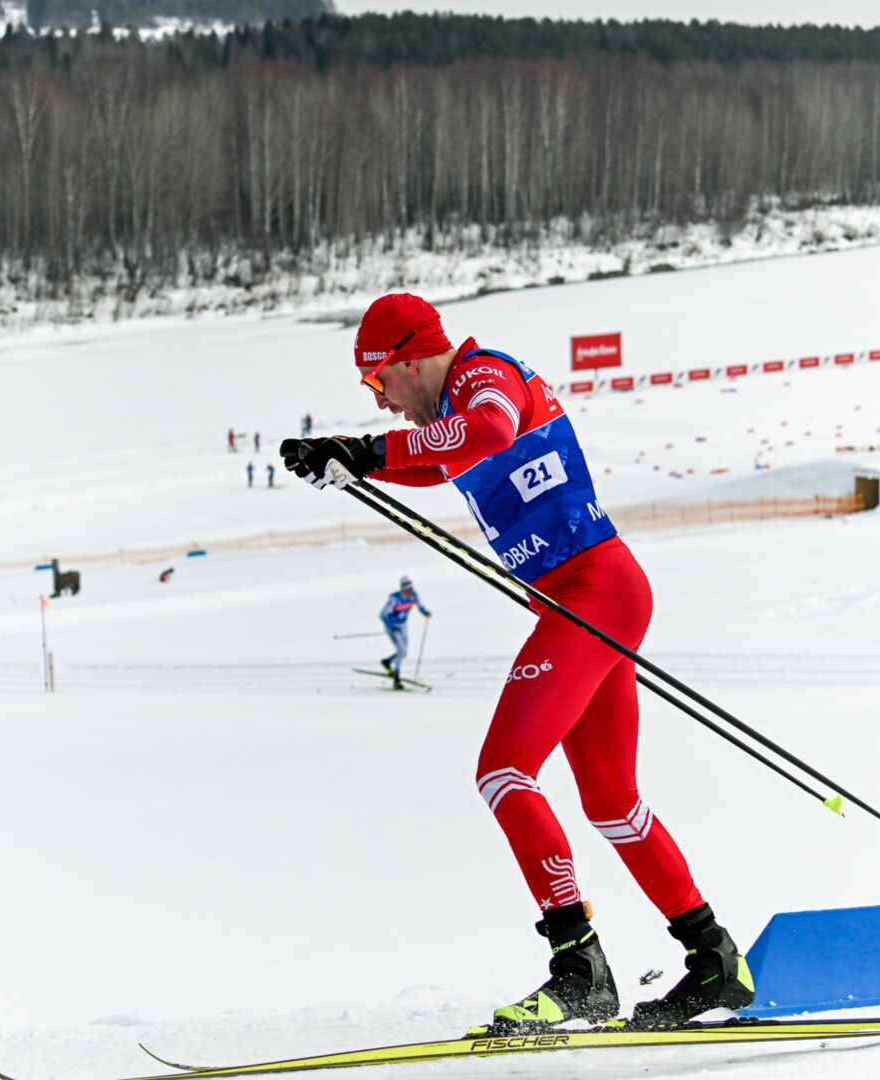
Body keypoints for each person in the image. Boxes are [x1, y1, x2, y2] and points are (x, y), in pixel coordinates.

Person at [279, 293, 754, 1033]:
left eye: (376, 385)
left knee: (504, 772)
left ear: (404, 360)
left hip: (591, 592)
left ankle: (580, 972)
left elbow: (490, 429)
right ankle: (715, 959)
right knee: (612, 802)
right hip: (587, 598)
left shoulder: (481, 376)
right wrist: (353, 456)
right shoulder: (449, 413)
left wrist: (371, 452)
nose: (382, 401)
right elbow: (446, 462)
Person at [377, 575, 432, 689]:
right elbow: (382, 615)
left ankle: (387, 662)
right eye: (407, 590)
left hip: (403, 625)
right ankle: (396, 680)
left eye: (411, 589)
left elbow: (420, 606)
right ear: (402, 588)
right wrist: (392, 627)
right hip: (392, 626)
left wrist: (425, 612)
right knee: (401, 650)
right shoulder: (394, 599)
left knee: (404, 653)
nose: (409, 592)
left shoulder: (413, 596)